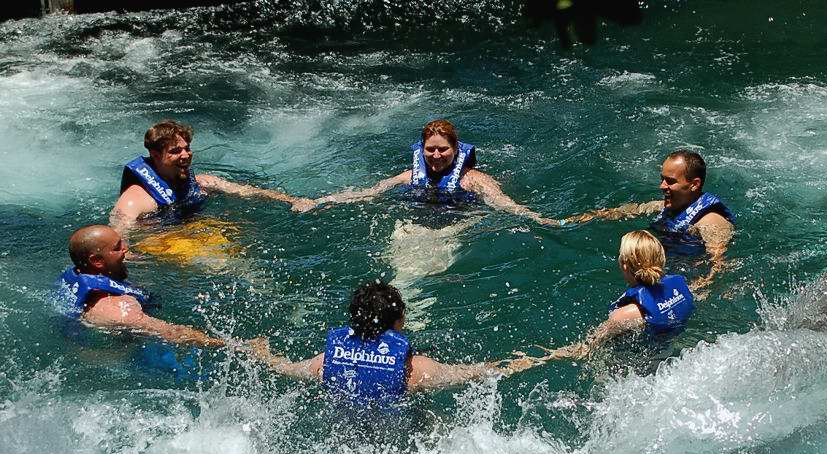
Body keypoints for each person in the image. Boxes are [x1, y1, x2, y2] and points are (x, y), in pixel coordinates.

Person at [251, 281, 535, 403]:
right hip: (401, 443)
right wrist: (552, 355)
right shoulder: (416, 371)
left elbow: (283, 367)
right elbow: (481, 372)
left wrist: (258, 351)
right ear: (399, 320)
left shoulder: (326, 363)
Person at [560, 149, 735, 296]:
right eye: (662, 179)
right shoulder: (663, 207)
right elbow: (619, 212)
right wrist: (564, 222)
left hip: (686, 275)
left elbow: (718, 266)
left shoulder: (712, 221)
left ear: (694, 184)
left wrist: (693, 291)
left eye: (670, 181)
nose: (662, 186)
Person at [316, 119, 557, 225]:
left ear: (455, 149)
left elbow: (502, 203)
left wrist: (537, 219)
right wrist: (319, 201)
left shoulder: (473, 179)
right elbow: (369, 193)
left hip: (457, 225)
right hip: (416, 225)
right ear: (422, 150)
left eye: (443, 149)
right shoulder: (407, 175)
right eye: (430, 149)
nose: (436, 155)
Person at [110, 120, 316, 231]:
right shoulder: (136, 197)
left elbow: (247, 192)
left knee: (245, 231)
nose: (185, 155)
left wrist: (292, 200)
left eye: (187, 148)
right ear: (155, 155)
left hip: (192, 232)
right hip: (160, 240)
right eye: (175, 151)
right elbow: (118, 231)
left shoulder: (201, 182)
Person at [58, 224, 236, 348]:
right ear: (97, 261)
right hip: (127, 359)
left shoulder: (79, 274)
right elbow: (171, 333)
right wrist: (237, 346)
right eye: (118, 247)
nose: (126, 249)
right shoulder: (118, 307)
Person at [537, 230, 695, 361]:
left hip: (638, 372)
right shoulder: (681, 290)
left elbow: (586, 349)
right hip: (670, 357)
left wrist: (541, 359)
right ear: (661, 259)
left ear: (624, 265)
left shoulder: (626, 314)